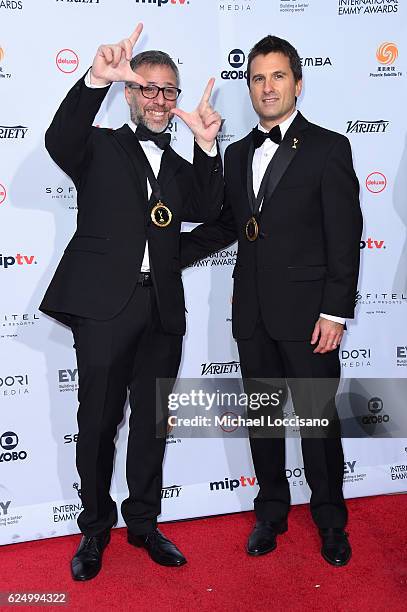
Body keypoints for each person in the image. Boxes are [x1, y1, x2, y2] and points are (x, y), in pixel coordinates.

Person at [40, 23, 223, 581]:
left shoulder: (182, 159)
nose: (160, 99)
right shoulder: (97, 146)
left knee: (151, 424)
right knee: (96, 423)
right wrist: (94, 77)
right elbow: (59, 138)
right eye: (148, 87)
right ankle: (94, 530)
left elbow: (216, 213)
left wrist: (208, 147)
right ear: (129, 92)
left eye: (169, 90)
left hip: (162, 309)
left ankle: (144, 523)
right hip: (103, 308)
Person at [180, 35, 363, 567]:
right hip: (253, 316)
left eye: (278, 76)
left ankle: (331, 521)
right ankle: (272, 513)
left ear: (297, 84)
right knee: (263, 421)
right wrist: (156, 252)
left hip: (310, 318)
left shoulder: (329, 147)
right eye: (258, 78)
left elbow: (345, 233)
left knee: (317, 423)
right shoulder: (236, 154)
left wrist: (335, 310)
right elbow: (222, 224)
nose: (267, 87)